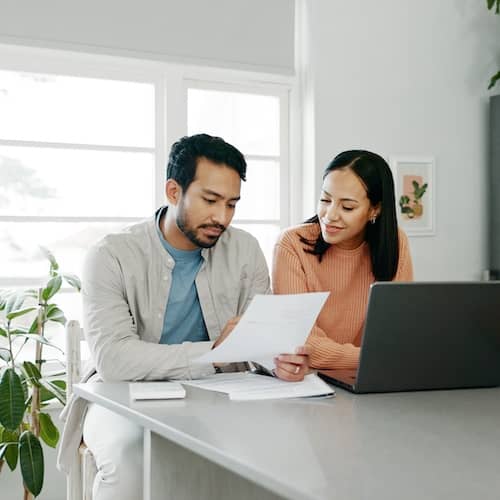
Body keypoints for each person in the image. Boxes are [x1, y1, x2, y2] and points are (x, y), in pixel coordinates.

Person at [57, 134, 310, 500]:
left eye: (232, 204)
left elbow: (257, 340)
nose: (221, 217)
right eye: (209, 200)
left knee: (277, 453)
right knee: (131, 459)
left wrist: (277, 361)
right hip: (121, 395)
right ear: (173, 191)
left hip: (220, 395)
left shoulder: (245, 249)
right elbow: (113, 360)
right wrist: (213, 354)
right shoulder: (110, 255)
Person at [272, 150, 413, 370]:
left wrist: (384, 357)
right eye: (325, 200)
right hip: (311, 379)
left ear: (374, 210)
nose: (330, 215)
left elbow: (398, 331)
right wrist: (373, 358)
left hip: (374, 377)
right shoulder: (292, 244)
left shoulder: (396, 243)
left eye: (347, 207)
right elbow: (300, 340)